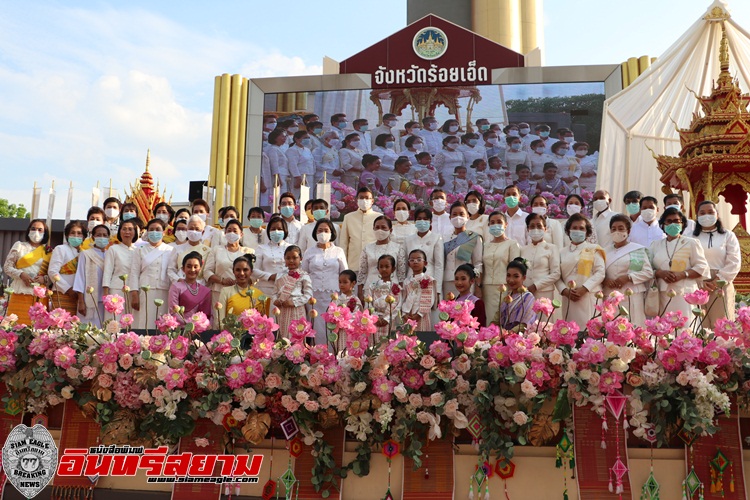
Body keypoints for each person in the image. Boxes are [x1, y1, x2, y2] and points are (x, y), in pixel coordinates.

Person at [648, 207, 710, 317]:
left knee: (686, 328)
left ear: (682, 224)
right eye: (669, 221)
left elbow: (702, 266)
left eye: (677, 221)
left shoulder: (691, 243)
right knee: (665, 328)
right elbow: (647, 268)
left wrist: (683, 274)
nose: (673, 224)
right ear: (663, 224)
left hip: (686, 294)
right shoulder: (655, 245)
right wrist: (659, 273)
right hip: (663, 293)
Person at [693, 200, 741, 323]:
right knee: (700, 324)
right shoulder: (690, 236)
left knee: (721, 323)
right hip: (697, 283)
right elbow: (687, 261)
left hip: (721, 283)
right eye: (702, 213)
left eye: (710, 212)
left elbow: (734, 262)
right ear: (697, 216)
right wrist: (700, 281)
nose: (706, 215)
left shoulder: (728, 235)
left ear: (717, 215)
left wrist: (717, 281)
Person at [301, 219, 348, 343]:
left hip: (333, 295)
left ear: (331, 232)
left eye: (326, 230)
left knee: (332, 325)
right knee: (316, 325)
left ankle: (334, 355)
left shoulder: (339, 251)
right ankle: (317, 355)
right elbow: (303, 274)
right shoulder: (309, 252)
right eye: (320, 230)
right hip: (313, 297)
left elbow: (344, 273)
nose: (323, 233)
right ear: (315, 233)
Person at [603, 215, 654, 326]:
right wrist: (605, 280)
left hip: (632, 295)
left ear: (628, 231)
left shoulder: (637, 249)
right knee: (611, 327)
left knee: (633, 327)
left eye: (621, 228)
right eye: (614, 229)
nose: (617, 231)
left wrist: (628, 277)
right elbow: (598, 272)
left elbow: (648, 273)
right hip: (609, 295)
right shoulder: (604, 251)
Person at [557, 213, 605, 326]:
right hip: (568, 297)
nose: (577, 230)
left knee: (590, 332)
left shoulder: (593, 249)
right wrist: (564, 291)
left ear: (587, 232)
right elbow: (556, 275)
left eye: (581, 228)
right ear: (568, 231)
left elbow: (600, 272)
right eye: (574, 228)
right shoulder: (561, 252)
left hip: (589, 296)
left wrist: (584, 288)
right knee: (569, 332)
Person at [127, 219, 174, 329]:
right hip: (145, 292)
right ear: (147, 232)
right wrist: (134, 295)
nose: (154, 232)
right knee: (145, 322)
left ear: (163, 232)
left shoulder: (170, 250)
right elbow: (134, 273)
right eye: (151, 229)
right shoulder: (140, 250)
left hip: (164, 292)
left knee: (162, 323)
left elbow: (172, 271)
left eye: (157, 229)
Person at [3, 219, 51, 324]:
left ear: (45, 233)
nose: (36, 232)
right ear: (28, 230)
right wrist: (21, 274)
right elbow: (7, 267)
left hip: (39, 295)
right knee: (15, 327)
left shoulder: (48, 251)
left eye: (40, 230)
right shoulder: (19, 245)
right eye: (33, 229)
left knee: (37, 330)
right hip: (19, 292)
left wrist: (45, 278)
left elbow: (52, 273)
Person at [482, 212, 521, 325]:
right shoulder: (485, 245)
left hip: (506, 288)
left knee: (505, 321)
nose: (496, 225)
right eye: (492, 222)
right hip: (487, 289)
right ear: (488, 225)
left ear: (506, 225)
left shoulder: (512, 244)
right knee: (491, 321)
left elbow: (515, 268)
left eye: (499, 222)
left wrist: (512, 289)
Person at [358, 216, 406, 297]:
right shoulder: (367, 248)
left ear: (390, 230)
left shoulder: (398, 248)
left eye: (383, 227)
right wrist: (360, 293)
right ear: (373, 229)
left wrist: (401, 293)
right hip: (370, 290)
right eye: (377, 227)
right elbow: (362, 273)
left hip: (392, 289)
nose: (380, 230)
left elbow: (401, 275)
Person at [521, 213, 561, 311]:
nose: (536, 229)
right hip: (525, 293)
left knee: (543, 323)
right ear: (527, 229)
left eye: (539, 226)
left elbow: (556, 273)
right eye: (532, 226)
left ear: (545, 228)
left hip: (544, 293)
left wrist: (536, 286)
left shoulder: (552, 248)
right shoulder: (523, 249)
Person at [443, 202, 483, 299]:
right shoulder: (444, 238)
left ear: (468, 217)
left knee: (465, 311)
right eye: (454, 214)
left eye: (461, 214)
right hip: (448, 281)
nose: (458, 217)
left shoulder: (474, 237)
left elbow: (478, 263)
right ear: (450, 217)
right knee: (448, 311)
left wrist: (478, 286)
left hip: (467, 282)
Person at [101, 219, 139, 320]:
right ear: (119, 232)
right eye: (124, 229)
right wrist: (106, 292)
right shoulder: (113, 249)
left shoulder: (139, 250)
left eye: (130, 229)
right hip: (116, 290)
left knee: (131, 321)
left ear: (135, 232)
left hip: (134, 291)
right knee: (115, 320)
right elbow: (107, 271)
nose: (127, 232)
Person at [404, 208, 445, 300]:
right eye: (419, 218)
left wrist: (437, 289)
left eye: (425, 219)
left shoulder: (436, 238)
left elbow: (439, 265)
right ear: (415, 221)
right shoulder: (408, 240)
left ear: (430, 221)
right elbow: (405, 264)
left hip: (430, 280)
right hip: (411, 281)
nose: (422, 221)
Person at [273, 246, 313, 339]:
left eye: (294, 258)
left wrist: (294, 302)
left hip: (297, 309)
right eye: (288, 258)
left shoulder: (304, 275)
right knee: (283, 335)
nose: (291, 261)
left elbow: (308, 294)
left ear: (301, 259)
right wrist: (275, 300)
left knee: (297, 334)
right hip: (282, 309)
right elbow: (275, 292)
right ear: (284, 259)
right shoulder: (279, 275)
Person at [74, 224, 110, 327]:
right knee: (88, 333)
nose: (102, 237)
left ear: (108, 238)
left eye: (105, 235)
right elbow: (80, 278)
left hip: (107, 301)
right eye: (99, 235)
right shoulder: (85, 254)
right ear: (93, 237)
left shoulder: (111, 254)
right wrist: (81, 302)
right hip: (89, 301)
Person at [48, 220, 86, 314]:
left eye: (79, 233)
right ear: (67, 235)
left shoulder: (84, 253)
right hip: (61, 293)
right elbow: (52, 272)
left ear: (84, 236)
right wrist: (68, 289)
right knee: (59, 324)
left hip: (79, 297)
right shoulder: (61, 249)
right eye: (72, 233)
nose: (76, 236)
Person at [339, 187, 380, 272]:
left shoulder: (379, 217)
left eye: (367, 198)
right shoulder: (348, 217)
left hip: (374, 264)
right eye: (361, 198)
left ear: (372, 201)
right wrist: (344, 266)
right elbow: (344, 243)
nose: (364, 200)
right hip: (354, 264)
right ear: (356, 200)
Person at [218, 254, 268, 322]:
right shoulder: (225, 292)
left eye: (245, 270)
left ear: (251, 272)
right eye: (238, 270)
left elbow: (264, 322)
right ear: (233, 271)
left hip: (253, 332)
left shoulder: (259, 295)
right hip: (231, 332)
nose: (241, 273)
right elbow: (221, 320)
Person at [492, 258, 538, 330]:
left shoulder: (528, 297)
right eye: (508, 275)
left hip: (519, 338)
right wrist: (491, 330)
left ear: (524, 278)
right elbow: (496, 320)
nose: (511, 280)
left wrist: (509, 334)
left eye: (516, 276)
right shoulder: (507, 297)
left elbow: (525, 324)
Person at [168, 252, 213, 324]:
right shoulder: (176, 287)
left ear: (200, 269)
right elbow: (173, 311)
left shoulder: (205, 291)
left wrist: (198, 325)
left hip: (199, 330)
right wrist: (187, 325)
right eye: (189, 266)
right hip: (179, 328)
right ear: (183, 268)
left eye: (195, 267)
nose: (192, 270)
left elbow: (206, 314)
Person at [365, 254, 401, 342]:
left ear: (393, 269)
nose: (384, 269)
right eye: (381, 267)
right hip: (375, 322)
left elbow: (398, 306)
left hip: (389, 321)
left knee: (388, 344)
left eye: (387, 266)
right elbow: (368, 303)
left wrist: (386, 318)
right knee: (374, 345)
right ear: (378, 269)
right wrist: (375, 317)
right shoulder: (372, 286)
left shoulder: (396, 287)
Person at [250, 215, 289, 297]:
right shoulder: (261, 248)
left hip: (287, 289)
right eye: (273, 229)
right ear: (268, 231)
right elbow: (253, 270)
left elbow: (298, 269)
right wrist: (270, 276)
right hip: (266, 290)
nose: (276, 231)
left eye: (279, 229)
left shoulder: (291, 248)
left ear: (285, 231)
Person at [168, 215, 211, 285]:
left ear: (202, 232)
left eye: (197, 229)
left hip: (201, 287)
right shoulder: (177, 249)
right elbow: (171, 270)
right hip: (180, 286)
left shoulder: (208, 251)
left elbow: (208, 272)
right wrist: (179, 280)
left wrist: (196, 284)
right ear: (187, 230)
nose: (194, 231)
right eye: (191, 228)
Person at [401, 249, 435, 331]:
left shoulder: (428, 280)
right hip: (408, 315)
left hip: (422, 315)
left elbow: (430, 299)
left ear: (425, 263)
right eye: (412, 260)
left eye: (419, 260)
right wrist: (404, 314)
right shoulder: (407, 281)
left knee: (422, 338)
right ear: (409, 264)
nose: (415, 262)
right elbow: (403, 298)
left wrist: (419, 314)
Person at [286, 131, 315, 197]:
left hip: (309, 175)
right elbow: (292, 165)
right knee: (298, 196)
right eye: (305, 138)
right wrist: (298, 178)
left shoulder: (307, 150)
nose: (307, 139)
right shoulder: (292, 150)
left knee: (308, 196)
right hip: (299, 176)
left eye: (308, 138)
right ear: (296, 139)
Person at [267, 128, 290, 192]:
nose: (284, 138)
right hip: (279, 176)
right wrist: (277, 178)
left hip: (284, 176)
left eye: (285, 137)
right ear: (275, 138)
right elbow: (274, 165)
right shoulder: (273, 149)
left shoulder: (278, 148)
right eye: (282, 136)